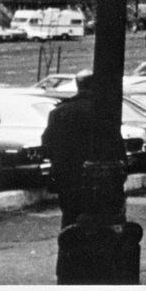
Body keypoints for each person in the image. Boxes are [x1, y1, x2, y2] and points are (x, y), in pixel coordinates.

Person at [41, 71, 102, 228]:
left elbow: (47, 141)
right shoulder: (101, 112)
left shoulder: (59, 111)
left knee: (69, 217)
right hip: (95, 176)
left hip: (66, 174)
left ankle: (68, 250)